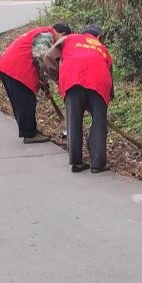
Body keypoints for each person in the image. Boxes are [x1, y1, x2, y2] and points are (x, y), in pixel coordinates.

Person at [44, 24, 113, 174]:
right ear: (99, 37)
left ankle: (76, 162)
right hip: (98, 82)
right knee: (98, 123)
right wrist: (103, 104)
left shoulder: (70, 38)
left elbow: (48, 57)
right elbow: (109, 77)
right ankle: (97, 164)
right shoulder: (102, 48)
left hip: (71, 80)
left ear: (81, 33)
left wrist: (58, 77)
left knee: (73, 121)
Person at [0, 23, 72, 143]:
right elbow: (41, 57)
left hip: (12, 68)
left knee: (25, 101)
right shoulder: (46, 35)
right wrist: (47, 81)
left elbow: (40, 63)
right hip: (16, 69)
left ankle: (30, 130)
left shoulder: (42, 32)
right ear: (63, 35)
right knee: (25, 102)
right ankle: (29, 134)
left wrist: (45, 86)